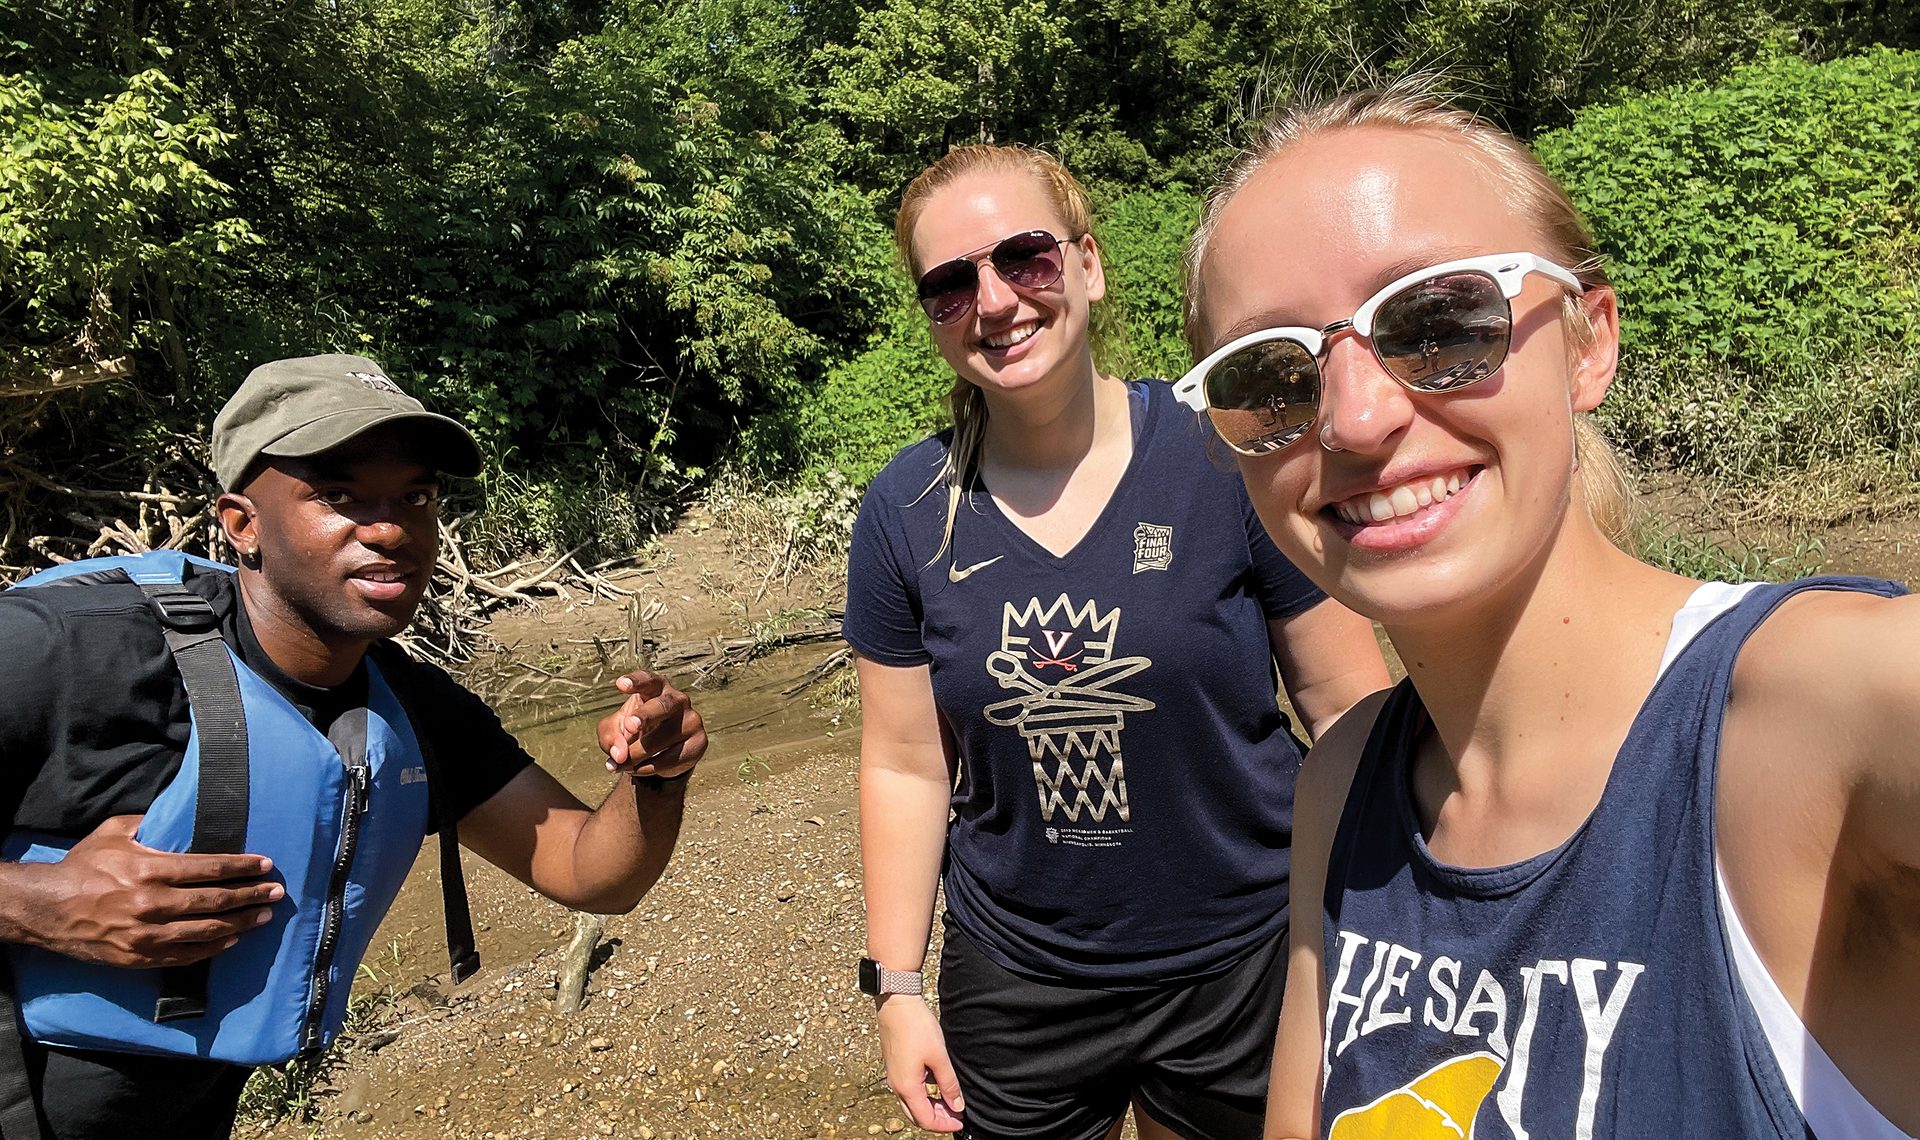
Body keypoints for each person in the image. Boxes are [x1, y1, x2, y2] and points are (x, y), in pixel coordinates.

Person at [1172, 86, 1920, 1139]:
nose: (1355, 416)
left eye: (1437, 320)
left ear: (1588, 342)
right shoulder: (1343, 789)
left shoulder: (1810, 721)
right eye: (1270, 375)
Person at [0, 354, 708, 1140]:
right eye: (337, 496)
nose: (390, 528)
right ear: (242, 524)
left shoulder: (407, 702)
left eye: (417, 496)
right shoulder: (67, 653)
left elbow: (588, 871)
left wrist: (658, 774)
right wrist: (37, 905)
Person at [844, 145, 1391, 1140]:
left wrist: (1387, 924)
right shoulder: (908, 510)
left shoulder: (1226, 449)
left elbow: (1347, 706)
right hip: (1020, 983)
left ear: (1087, 265)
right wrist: (896, 987)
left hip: (1248, 959)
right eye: (950, 283)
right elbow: (905, 763)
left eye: (1026, 258)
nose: (996, 300)